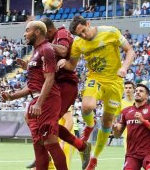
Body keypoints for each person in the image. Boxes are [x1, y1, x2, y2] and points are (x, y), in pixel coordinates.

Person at [57, 15, 135, 169]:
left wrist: (124, 67)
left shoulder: (110, 32)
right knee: (87, 106)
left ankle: (94, 158)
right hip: (95, 79)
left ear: (88, 23)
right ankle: (90, 125)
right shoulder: (78, 43)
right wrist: (64, 63)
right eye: (79, 35)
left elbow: (130, 51)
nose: (83, 36)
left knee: (107, 121)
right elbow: (72, 65)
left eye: (83, 31)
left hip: (114, 82)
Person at [15, 18, 90, 169]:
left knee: (50, 126)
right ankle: (45, 150)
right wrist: (28, 66)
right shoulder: (41, 48)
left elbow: (62, 50)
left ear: (47, 31)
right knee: (31, 118)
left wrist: (46, 44)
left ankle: (79, 146)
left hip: (65, 84)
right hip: (53, 85)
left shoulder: (61, 33)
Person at [2, 21, 68, 170]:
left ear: (37, 32)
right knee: (38, 144)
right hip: (37, 99)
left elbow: (49, 78)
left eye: (27, 30)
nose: (25, 34)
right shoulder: (36, 52)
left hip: (48, 99)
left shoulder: (46, 49)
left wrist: (39, 103)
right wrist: (13, 96)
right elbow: (33, 86)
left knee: (50, 142)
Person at [112, 84, 150, 170]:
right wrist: (114, 129)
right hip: (132, 154)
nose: (137, 92)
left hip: (149, 152)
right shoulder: (126, 111)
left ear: (147, 96)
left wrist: (143, 121)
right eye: (136, 91)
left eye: (141, 91)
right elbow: (117, 135)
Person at [121, 81, 135, 151]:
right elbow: (115, 117)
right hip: (127, 135)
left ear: (133, 89)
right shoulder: (120, 103)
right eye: (126, 88)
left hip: (140, 134)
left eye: (130, 88)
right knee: (129, 156)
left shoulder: (138, 102)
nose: (128, 89)